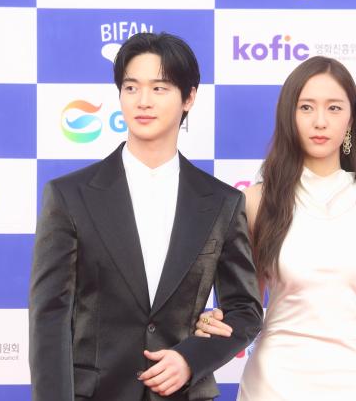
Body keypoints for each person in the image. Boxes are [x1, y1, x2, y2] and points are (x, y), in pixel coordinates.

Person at [29, 32, 263, 401]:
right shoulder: (69, 196)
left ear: (189, 98)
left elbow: (245, 310)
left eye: (160, 88)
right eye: (131, 87)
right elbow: (49, 319)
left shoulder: (223, 202)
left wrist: (191, 359)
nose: (143, 101)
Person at [195, 56, 356, 400]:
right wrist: (213, 322)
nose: (320, 121)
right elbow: (244, 305)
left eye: (334, 108)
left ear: (351, 119)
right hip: (274, 382)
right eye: (307, 107)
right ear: (289, 116)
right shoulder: (256, 202)